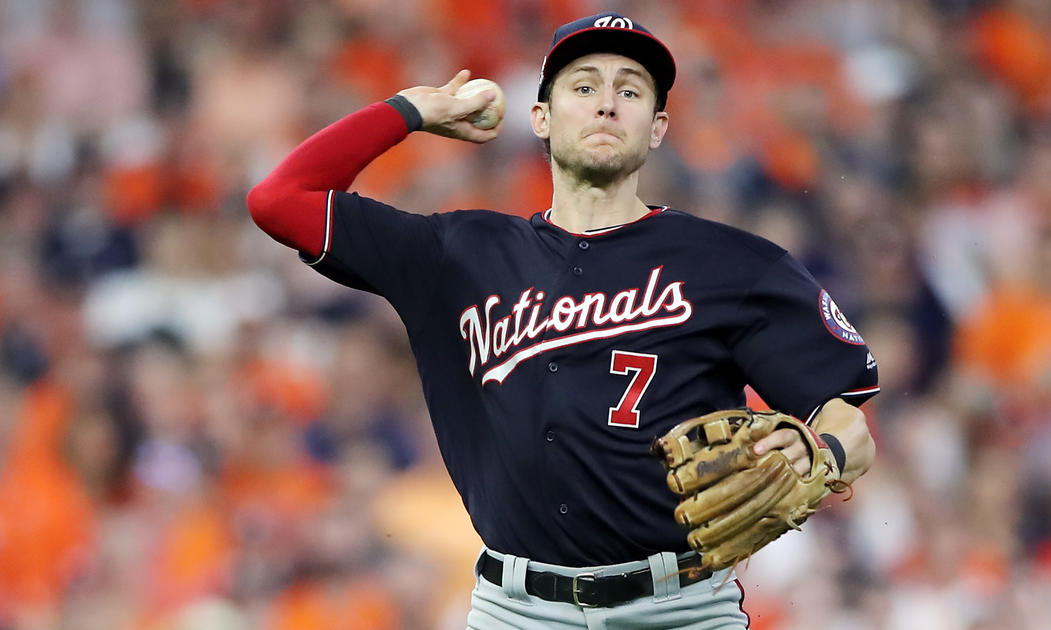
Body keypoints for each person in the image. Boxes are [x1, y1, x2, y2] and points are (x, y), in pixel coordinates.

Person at [247, 12, 879, 629]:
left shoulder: (733, 265)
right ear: (541, 118)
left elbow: (851, 422)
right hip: (516, 610)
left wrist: (816, 446)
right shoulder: (458, 254)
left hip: (681, 608)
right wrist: (411, 110)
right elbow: (279, 200)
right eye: (584, 86)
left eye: (630, 90)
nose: (606, 103)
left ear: (657, 127)